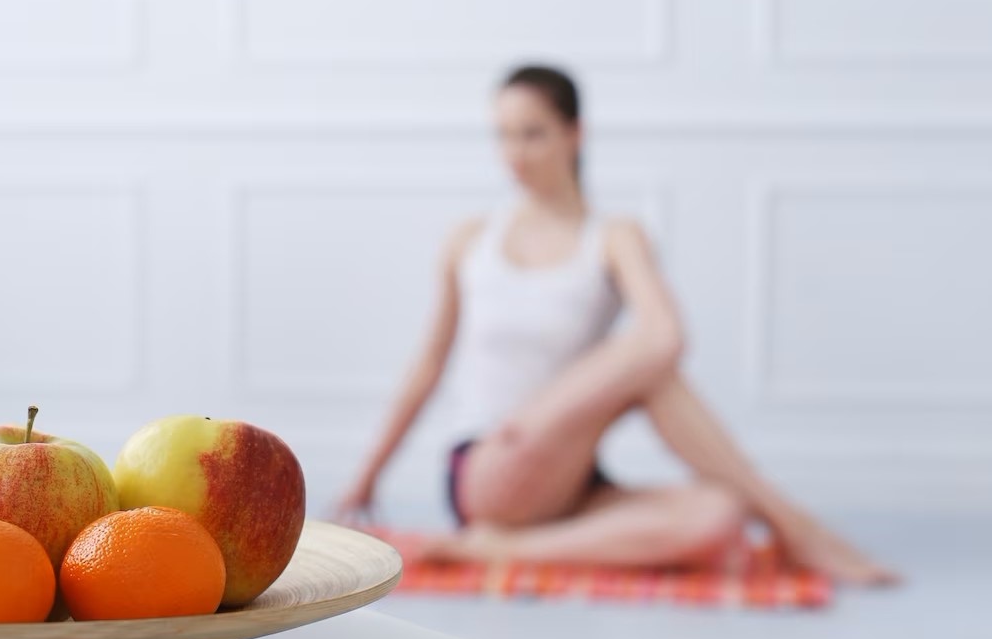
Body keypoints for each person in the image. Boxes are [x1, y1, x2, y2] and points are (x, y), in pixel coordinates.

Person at [333, 65, 895, 585]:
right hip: (490, 467)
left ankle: (500, 549)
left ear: (574, 134)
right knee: (652, 364)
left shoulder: (615, 237)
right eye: (503, 136)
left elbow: (666, 340)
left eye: (532, 134)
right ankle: (795, 526)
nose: (514, 154)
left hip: (569, 482)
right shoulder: (470, 240)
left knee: (719, 514)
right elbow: (429, 365)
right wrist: (367, 476)